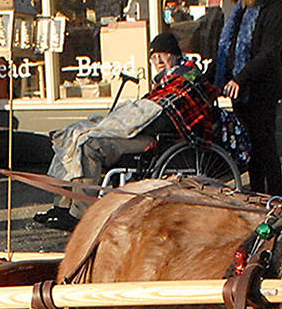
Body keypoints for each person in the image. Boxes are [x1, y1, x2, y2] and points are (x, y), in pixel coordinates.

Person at [34, 31, 248, 231]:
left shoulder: (187, 79)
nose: (158, 61)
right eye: (153, 57)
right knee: (72, 136)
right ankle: (62, 206)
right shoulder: (163, 83)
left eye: (162, 55)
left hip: (158, 138)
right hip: (141, 131)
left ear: (174, 55)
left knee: (89, 145)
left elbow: (163, 116)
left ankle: (81, 215)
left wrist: (133, 119)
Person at [206, 0, 282, 195]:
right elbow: (228, 48)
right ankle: (256, 194)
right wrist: (212, 75)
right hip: (241, 92)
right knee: (249, 148)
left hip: (261, 90)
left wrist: (240, 79)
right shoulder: (241, 7)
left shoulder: (275, 7)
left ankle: (274, 197)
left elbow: (269, 52)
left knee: (265, 147)